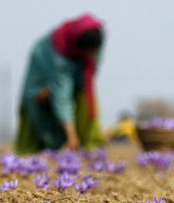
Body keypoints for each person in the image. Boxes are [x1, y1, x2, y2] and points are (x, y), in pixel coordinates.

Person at [15, 14, 106, 154]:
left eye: (94, 52)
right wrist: (71, 135)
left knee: (85, 95)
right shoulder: (61, 53)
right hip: (43, 63)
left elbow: (90, 74)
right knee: (38, 98)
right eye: (88, 52)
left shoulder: (95, 39)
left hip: (75, 63)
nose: (91, 56)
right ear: (80, 47)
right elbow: (62, 96)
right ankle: (35, 149)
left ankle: (90, 144)